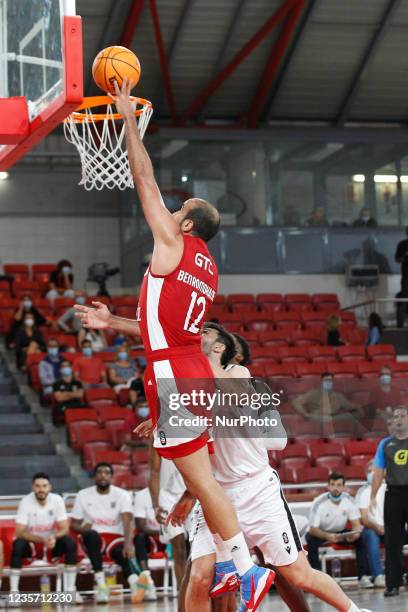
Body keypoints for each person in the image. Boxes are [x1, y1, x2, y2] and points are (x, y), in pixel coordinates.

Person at [75, 76, 274, 610]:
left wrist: (124, 116)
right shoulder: (207, 270)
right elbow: (165, 329)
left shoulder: (174, 241)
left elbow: (142, 179)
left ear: (185, 221)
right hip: (186, 370)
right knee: (202, 477)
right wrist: (114, 321)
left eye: (176, 208)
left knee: (203, 483)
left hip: (175, 375)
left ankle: (247, 569)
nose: (169, 211)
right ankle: (239, 567)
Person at [169, 324, 370, 612]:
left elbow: (277, 440)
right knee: (200, 577)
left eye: (206, 333)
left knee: (297, 574)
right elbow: (195, 448)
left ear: (221, 350)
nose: (198, 335)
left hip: (256, 490)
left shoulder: (242, 376)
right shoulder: (193, 389)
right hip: (216, 493)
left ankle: (355, 611)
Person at [71, 462, 148, 604]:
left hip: (115, 537)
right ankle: (101, 586)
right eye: (99, 472)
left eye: (106, 472)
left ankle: (134, 584)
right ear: (94, 477)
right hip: (93, 538)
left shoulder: (122, 494)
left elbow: (127, 521)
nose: (103, 475)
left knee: (122, 552)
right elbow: (74, 524)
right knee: (92, 536)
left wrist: (128, 544)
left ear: (112, 477)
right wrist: (84, 529)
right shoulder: (83, 495)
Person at [9, 473, 81, 602]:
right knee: (18, 544)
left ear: (50, 487)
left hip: (51, 544)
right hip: (32, 544)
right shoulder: (25, 501)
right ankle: (14, 593)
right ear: (33, 488)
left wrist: (54, 536)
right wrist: (42, 540)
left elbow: (65, 529)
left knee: (70, 543)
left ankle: (71, 590)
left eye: (44, 486)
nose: (41, 489)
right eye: (37, 486)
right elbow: (19, 532)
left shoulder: (57, 500)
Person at [370, 406, 408, 597]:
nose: (398, 419)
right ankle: (392, 583)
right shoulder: (386, 444)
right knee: (393, 541)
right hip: (393, 494)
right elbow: (377, 473)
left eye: (402, 415)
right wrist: (372, 497)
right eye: (395, 416)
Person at [306, 473, 368, 586]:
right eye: (333, 485)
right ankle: (316, 581)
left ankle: (363, 577)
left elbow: (356, 525)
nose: (335, 488)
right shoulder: (318, 502)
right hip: (321, 532)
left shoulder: (349, 500)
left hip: (340, 532)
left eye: (339, 485)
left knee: (362, 538)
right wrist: (327, 536)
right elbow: (312, 529)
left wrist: (355, 534)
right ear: (328, 486)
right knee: (310, 539)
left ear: (344, 487)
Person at [149, 446, 189, 589]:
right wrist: (155, 505)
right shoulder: (159, 432)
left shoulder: (197, 428)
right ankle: (183, 592)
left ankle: (198, 591)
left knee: (198, 549)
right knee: (179, 548)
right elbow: (154, 472)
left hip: (192, 494)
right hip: (168, 498)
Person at [355, 461, 386, 588]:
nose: (372, 474)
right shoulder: (364, 492)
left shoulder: (391, 488)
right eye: (369, 471)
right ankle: (378, 575)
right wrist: (377, 527)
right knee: (371, 534)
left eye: (375, 470)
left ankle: (397, 574)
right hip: (372, 528)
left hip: (392, 527)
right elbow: (364, 519)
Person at [133, 486, 164, 601]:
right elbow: (140, 526)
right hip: (152, 538)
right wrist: (162, 532)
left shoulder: (174, 490)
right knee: (139, 538)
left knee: (187, 538)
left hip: (173, 537)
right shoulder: (141, 495)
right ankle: (149, 581)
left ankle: (185, 585)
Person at [292, 372, 359, 419]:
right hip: (316, 422)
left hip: (332, 423)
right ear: (321, 381)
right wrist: (305, 414)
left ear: (333, 382)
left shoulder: (339, 396)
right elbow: (296, 402)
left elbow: (351, 406)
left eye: (330, 381)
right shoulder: (313, 393)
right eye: (326, 380)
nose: (328, 383)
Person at [394, 226, 408, 296]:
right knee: (405, 297)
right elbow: (397, 259)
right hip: (406, 277)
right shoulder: (402, 244)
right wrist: (404, 258)